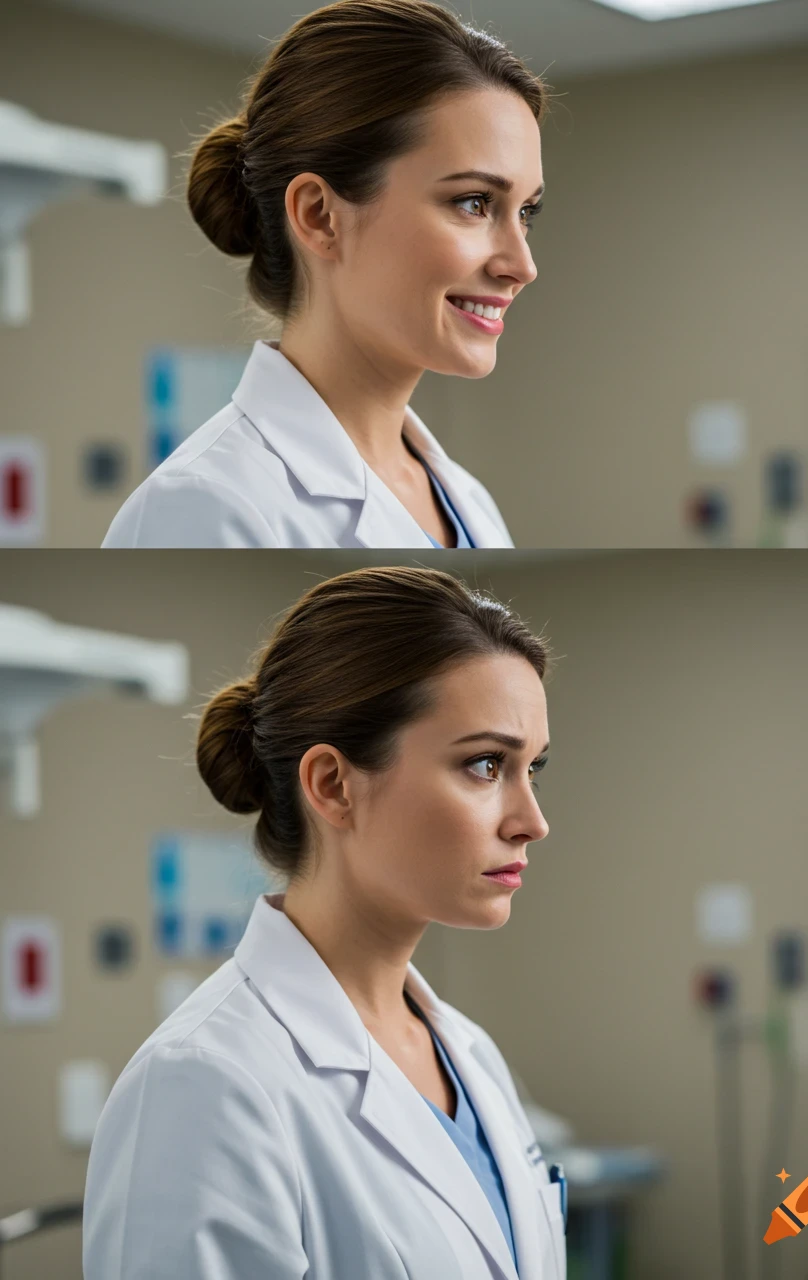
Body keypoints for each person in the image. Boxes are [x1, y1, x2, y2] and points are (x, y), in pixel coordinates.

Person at [81, 565, 566, 1279]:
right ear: (333, 786)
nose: (532, 821)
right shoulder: (204, 1084)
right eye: (487, 764)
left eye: (533, 769)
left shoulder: (470, 1056)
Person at [102, 0, 555, 549]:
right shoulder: (202, 506)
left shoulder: (469, 501)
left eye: (526, 212)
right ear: (319, 216)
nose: (522, 266)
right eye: (474, 202)